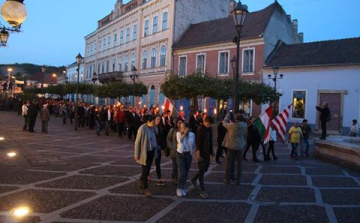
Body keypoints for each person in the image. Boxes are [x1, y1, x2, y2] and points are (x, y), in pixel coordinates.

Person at [134, 115, 158, 198]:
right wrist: (136, 154)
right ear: (148, 121)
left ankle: (141, 181)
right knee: (145, 170)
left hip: (151, 151)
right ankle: (146, 189)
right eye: (153, 121)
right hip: (144, 152)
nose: (154, 122)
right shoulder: (142, 128)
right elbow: (137, 142)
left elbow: (155, 138)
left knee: (147, 169)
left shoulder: (153, 128)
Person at [191, 116, 214, 199]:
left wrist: (212, 151)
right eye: (208, 124)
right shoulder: (200, 130)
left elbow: (210, 140)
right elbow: (198, 143)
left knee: (205, 169)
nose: (209, 126)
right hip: (201, 153)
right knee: (201, 171)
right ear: (205, 122)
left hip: (207, 152)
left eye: (210, 125)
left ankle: (194, 179)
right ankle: (202, 190)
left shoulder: (210, 129)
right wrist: (198, 154)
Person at [222, 114, 247, 185]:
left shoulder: (231, 126)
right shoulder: (244, 125)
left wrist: (227, 115)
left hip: (231, 146)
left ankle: (227, 179)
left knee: (229, 163)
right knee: (239, 164)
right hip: (240, 146)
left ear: (236, 119)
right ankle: (238, 180)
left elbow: (224, 123)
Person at [176, 122, 195, 197]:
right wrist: (184, 134)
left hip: (188, 154)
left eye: (183, 127)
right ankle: (179, 188)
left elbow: (192, 144)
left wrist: (187, 135)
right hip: (180, 154)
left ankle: (182, 187)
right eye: (180, 127)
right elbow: (180, 141)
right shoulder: (178, 134)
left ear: (187, 128)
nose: (181, 129)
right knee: (182, 173)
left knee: (186, 172)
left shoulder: (192, 135)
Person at [167, 119, 183, 185]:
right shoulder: (172, 130)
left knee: (179, 164)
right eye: (178, 122)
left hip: (181, 151)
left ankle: (174, 175)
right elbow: (168, 139)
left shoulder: (183, 131)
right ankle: (176, 178)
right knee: (175, 164)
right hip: (173, 150)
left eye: (180, 123)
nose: (179, 124)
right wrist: (170, 146)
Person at [154, 115, 166, 186]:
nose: (159, 121)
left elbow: (162, 138)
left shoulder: (160, 128)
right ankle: (146, 177)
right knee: (148, 163)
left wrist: (162, 148)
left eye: (159, 119)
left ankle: (159, 178)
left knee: (158, 163)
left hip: (158, 147)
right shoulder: (151, 128)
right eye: (157, 119)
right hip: (151, 147)